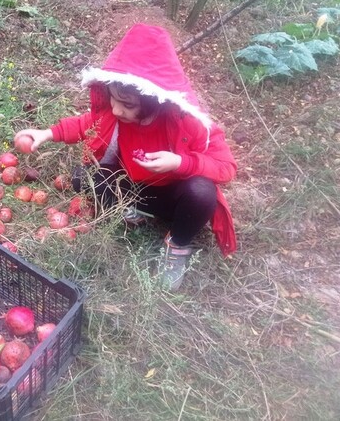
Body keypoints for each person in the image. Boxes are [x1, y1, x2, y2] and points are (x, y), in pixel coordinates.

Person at [14, 23, 237, 290]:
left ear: (156, 100)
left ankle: (177, 244)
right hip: (131, 188)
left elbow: (226, 168)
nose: (116, 110)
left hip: (173, 196)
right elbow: (86, 124)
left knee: (202, 192)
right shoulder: (115, 112)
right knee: (82, 178)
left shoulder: (188, 123)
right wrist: (47, 133)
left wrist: (180, 163)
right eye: (113, 100)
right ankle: (130, 212)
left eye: (127, 104)